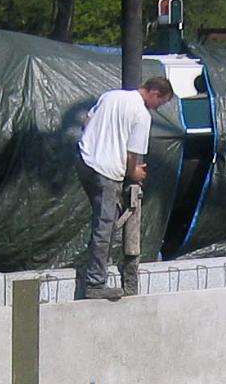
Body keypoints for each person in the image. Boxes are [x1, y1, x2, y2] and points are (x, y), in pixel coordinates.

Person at [76, 76, 174, 300]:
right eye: (162, 102)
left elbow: (86, 123)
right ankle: (95, 283)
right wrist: (134, 172)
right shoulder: (141, 115)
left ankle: (97, 267)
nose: (159, 107)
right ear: (155, 92)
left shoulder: (111, 96)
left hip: (83, 161)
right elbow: (132, 153)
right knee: (105, 226)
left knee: (105, 220)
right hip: (106, 172)